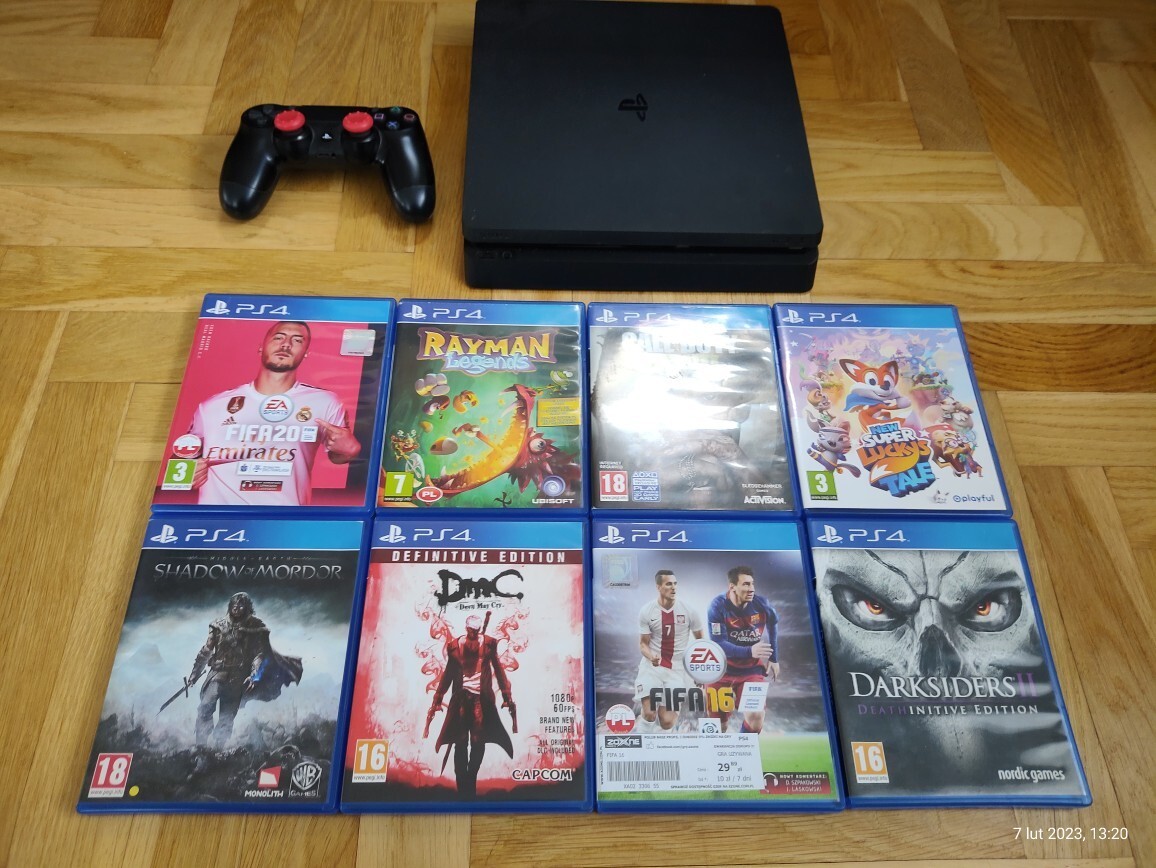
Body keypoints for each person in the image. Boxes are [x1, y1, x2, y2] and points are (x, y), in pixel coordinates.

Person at [183, 321, 361, 505]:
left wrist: (350, 451)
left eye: (297, 340)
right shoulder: (212, 406)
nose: (286, 344)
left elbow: (338, 455)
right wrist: (188, 473)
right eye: (278, 338)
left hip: (284, 517)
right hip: (217, 516)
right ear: (261, 347)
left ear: (306, 353)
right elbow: (181, 458)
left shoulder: (324, 402)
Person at [188, 592, 303, 749]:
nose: (236, 608)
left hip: (238, 678)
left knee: (227, 716)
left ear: (247, 607)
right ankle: (200, 746)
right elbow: (206, 650)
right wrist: (194, 674)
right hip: (217, 674)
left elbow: (259, 654)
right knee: (206, 706)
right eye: (234, 604)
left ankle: (217, 749)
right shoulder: (218, 625)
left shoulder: (256, 627)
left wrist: (254, 675)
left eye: (241, 605)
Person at [427, 614, 516, 797]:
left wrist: (506, 695)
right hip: (460, 699)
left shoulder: (489, 645)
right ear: (467, 629)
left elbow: (499, 670)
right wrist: (438, 698)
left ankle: (470, 778)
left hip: (481, 700)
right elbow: (448, 674)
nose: (474, 634)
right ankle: (463, 788)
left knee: (478, 741)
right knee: (460, 742)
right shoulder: (454, 647)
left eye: (477, 630)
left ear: (479, 629)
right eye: (471, 631)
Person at [706, 566, 779, 733]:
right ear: (732, 587)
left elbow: (773, 624)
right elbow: (718, 643)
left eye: (752, 584)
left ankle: (742, 748)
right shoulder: (717, 606)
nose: (751, 588)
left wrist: (774, 658)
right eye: (746, 584)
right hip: (720, 671)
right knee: (718, 726)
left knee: (756, 717)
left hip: (750, 670)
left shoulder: (762, 604)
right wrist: (749, 651)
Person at [635, 569, 704, 732]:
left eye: (675, 583)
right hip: (652, 667)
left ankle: (661, 740)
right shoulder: (647, 611)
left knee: (667, 721)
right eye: (668, 584)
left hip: (677, 670)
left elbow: (701, 642)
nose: (673, 587)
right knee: (649, 713)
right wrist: (651, 656)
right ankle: (641, 742)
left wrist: (699, 672)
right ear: (658, 587)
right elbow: (643, 644)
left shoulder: (689, 611)